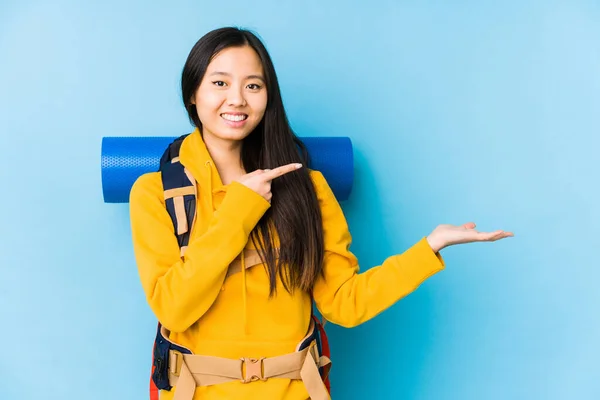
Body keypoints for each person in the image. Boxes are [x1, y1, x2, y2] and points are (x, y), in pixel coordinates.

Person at [129, 26, 513, 400]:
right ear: (192, 93)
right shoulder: (155, 193)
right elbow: (174, 309)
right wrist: (239, 209)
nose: (237, 99)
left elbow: (344, 303)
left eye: (253, 85)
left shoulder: (306, 189)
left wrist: (430, 247)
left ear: (268, 97)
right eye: (219, 83)